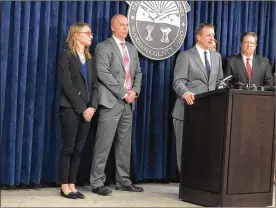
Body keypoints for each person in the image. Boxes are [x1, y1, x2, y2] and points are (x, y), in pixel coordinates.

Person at [90, 14, 143, 196]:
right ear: (113, 27)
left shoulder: (132, 49)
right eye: (122, 25)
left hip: (128, 103)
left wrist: (134, 91)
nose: (126, 28)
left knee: (124, 145)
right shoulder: (103, 47)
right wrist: (123, 93)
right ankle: (97, 182)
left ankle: (123, 181)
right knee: (103, 143)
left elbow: (138, 73)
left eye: (127, 25)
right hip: (111, 101)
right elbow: (102, 73)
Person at [172, 23, 223, 172]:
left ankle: (201, 186)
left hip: (208, 113)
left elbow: (219, 81)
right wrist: (185, 92)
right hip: (187, 111)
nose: (212, 38)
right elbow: (178, 81)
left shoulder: (217, 56)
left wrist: (222, 88)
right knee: (186, 151)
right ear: (198, 37)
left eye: (213, 35)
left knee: (204, 151)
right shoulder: (186, 56)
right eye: (208, 35)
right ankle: (187, 186)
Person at [57, 22, 98, 199]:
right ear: (76, 35)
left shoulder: (90, 58)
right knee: (68, 148)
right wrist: (83, 108)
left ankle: (72, 184)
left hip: (88, 110)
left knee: (79, 149)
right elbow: (67, 85)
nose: (91, 36)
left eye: (91, 33)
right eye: (87, 33)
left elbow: (96, 86)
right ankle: (64, 186)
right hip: (70, 108)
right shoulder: (66, 56)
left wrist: (93, 107)